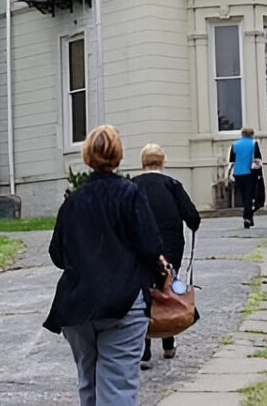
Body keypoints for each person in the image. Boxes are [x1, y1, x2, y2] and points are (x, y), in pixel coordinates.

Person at [44, 125, 167, 406]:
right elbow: (150, 246)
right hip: (123, 302)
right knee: (118, 387)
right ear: (118, 155)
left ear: (87, 155)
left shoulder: (73, 201)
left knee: (89, 383)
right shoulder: (130, 194)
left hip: (77, 304)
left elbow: (57, 255)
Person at [133, 143, 201, 369]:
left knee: (143, 293)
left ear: (142, 164)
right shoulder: (173, 185)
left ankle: (144, 351)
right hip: (170, 247)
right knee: (167, 288)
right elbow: (193, 217)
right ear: (162, 163)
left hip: (140, 248)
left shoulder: (132, 186)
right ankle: (168, 340)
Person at [228, 127, 263, 228]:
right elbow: (258, 159)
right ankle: (247, 217)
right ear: (252, 134)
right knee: (250, 195)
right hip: (250, 172)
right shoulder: (254, 143)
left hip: (238, 173)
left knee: (244, 195)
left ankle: (249, 216)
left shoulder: (235, 144)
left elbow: (232, 160)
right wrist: (259, 174)